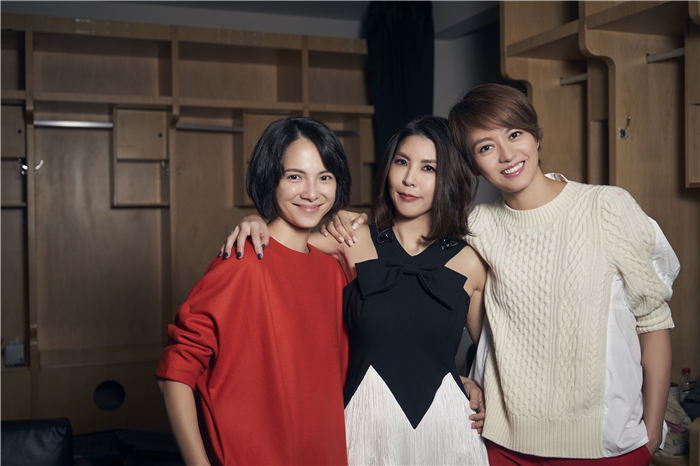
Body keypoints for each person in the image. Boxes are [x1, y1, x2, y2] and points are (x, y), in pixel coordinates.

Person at [325, 84, 680, 465]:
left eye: (514, 134)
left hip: (604, 443)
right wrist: (460, 380)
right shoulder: (477, 228)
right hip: (504, 444)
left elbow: (653, 321)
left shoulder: (608, 206)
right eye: (485, 147)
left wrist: (652, 430)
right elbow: (473, 329)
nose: (507, 155)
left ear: (535, 135)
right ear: (472, 165)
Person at [224, 116, 490, 465]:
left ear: (450, 177)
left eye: (429, 168)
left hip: (447, 426)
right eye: (402, 162)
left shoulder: (470, 262)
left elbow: (489, 356)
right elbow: (280, 246)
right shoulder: (351, 238)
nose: (409, 179)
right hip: (364, 424)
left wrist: (473, 383)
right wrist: (255, 220)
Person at [155, 117, 352, 466]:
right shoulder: (243, 263)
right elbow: (175, 373)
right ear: (269, 179)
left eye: (325, 177)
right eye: (294, 177)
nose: (312, 192)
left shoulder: (333, 270)